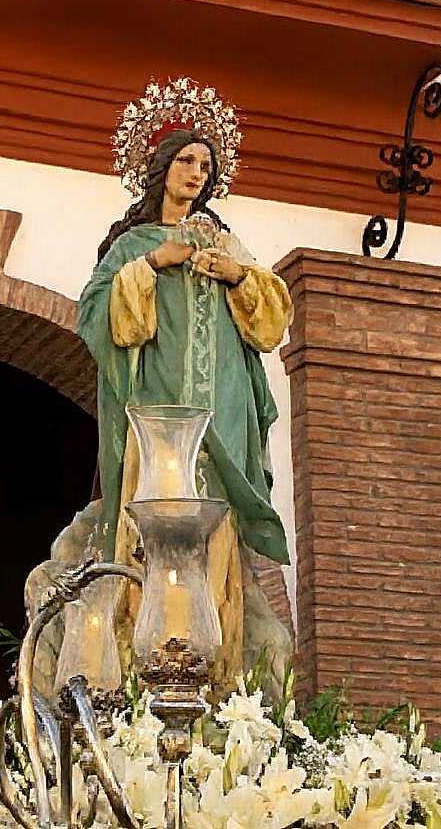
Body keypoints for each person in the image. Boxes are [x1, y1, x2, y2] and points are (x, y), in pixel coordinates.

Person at [76, 84, 294, 692]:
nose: (198, 174)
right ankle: (138, 681)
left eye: (207, 165)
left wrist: (239, 273)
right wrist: (154, 265)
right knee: (147, 530)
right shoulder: (135, 247)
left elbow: (272, 321)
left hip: (220, 419)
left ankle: (219, 683)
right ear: (161, 167)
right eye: (187, 161)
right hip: (155, 417)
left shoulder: (225, 245)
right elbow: (99, 320)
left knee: (217, 544)